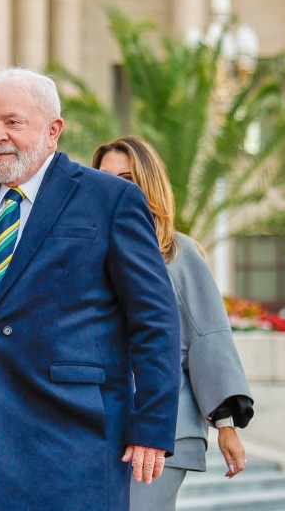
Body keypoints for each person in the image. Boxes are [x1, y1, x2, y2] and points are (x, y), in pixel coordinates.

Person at [0, 66, 181, 511]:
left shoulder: (111, 200)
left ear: (53, 130)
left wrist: (153, 426)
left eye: (13, 122)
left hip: (79, 439)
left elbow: (155, 321)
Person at [93, 135, 254, 511]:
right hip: (100, 426)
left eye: (127, 178)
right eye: (105, 177)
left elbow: (208, 339)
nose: (115, 187)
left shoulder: (178, 253)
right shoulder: (90, 252)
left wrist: (226, 426)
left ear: (149, 184)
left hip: (167, 428)